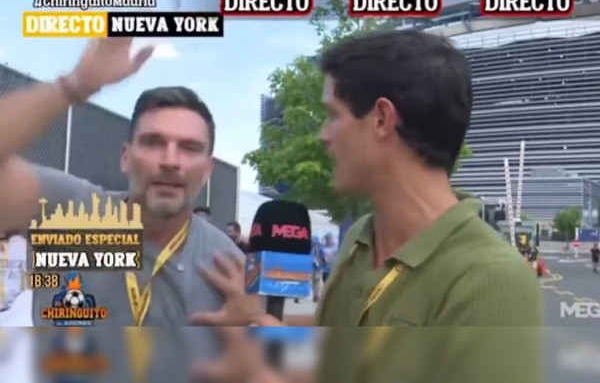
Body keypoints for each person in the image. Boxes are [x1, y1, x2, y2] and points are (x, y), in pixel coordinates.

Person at [189, 30, 544, 383]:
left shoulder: (492, 280)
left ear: (381, 120)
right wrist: (255, 322)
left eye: (333, 115)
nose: (323, 135)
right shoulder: (361, 237)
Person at [0, 38, 253, 381]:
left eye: (189, 148)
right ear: (125, 157)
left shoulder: (226, 265)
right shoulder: (67, 211)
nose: (170, 161)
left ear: (208, 170)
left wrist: (244, 338)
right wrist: (73, 86)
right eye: (153, 142)